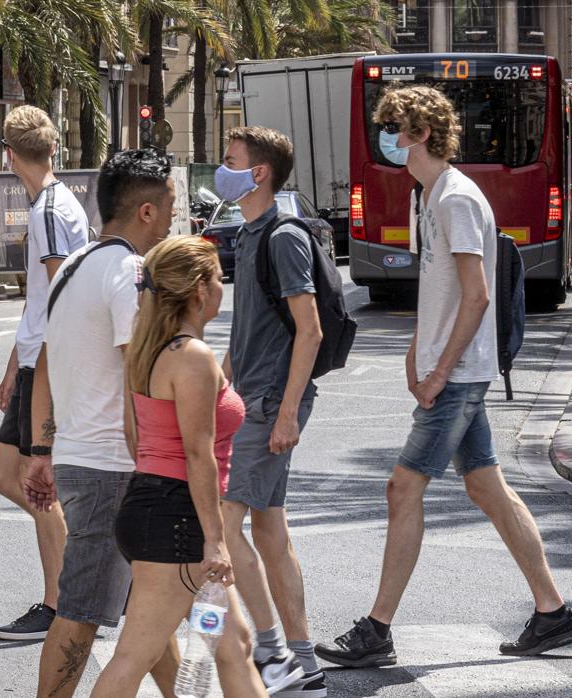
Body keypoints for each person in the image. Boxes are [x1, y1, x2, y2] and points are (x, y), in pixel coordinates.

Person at [316, 85, 572, 669]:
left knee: (402, 487)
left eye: (394, 126)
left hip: (459, 374)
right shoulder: (428, 196)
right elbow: (440, 291)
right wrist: (417, 350)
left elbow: (477, 294)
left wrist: (440, 369)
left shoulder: (455, 199)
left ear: (421, 134)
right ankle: (553, 613)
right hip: (450, 368)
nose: (386, 137)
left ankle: (377, 630)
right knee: (486, 486)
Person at [23, 148, 181, 698]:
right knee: (83, 610)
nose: (171, 221)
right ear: (145, 212)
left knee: (152, 606)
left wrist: (43, 448)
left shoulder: (74, 265)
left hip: (85, 458)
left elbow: (44, 359)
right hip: (114, 466)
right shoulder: (130, 271)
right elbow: (142, 377)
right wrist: (158, 466)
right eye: (169, 208)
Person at [90, 236, 266, 698]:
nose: (224, 286)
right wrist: (214, 540)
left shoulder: (152, 349)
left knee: (235, 645)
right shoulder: (191, 358)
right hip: (177, 524)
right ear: (198, 291)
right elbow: (197, 455)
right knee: (133, 657)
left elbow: (137, 436)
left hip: (159, 511)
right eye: (219, 278)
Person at [215, 126, 320, 695]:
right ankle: (304, 662)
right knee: (270, 531)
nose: (221, 169)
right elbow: (251, 323)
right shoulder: (250, 232)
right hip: (251, 396)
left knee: (225, 526)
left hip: (269, 404)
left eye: (230, 161)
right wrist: (222, 378)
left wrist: (286, 413)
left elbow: (310, 329)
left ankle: (275, 656)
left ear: (258, 173)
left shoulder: (282, 236)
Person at [0, 106, 88, 642]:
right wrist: (13, 366)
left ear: (8, 154)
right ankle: (74, 585)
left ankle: (62, 600)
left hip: (45, 367)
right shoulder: (55, 203)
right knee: (3, 477)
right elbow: (39, 302)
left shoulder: (49, 211)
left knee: (34, 485)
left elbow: (58, 300)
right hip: (33, 364)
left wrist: (39, 376)